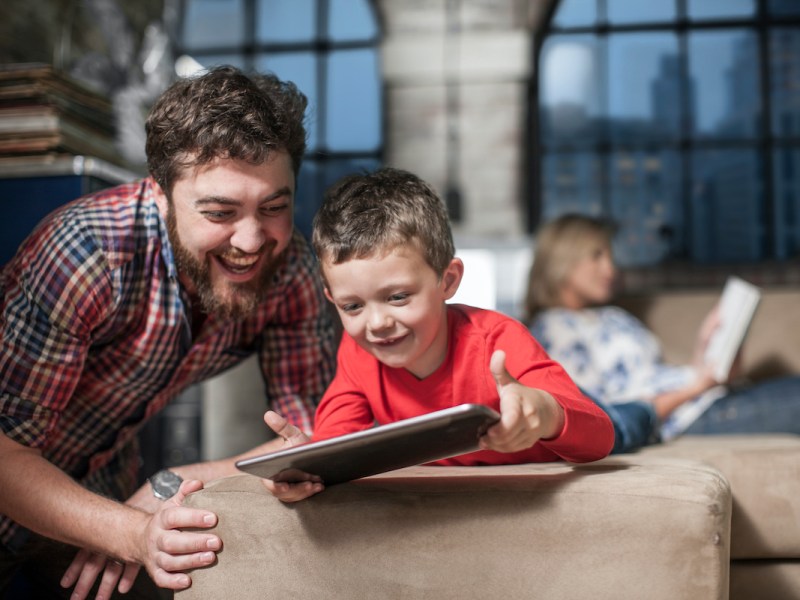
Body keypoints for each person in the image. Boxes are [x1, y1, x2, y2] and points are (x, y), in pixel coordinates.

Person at [0, 66, 336, 599]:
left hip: (103, 497)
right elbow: (5, 456)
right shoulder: (87, 254)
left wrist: (173, 481)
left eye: (274, 207)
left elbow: (310, 439)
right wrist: (133, 534)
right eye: (220, 212)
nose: (252, 241)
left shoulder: (289, 267)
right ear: (159, 192)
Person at [261, 168, 615, 503]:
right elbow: (336, 439)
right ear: (332, 300)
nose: (377, 323)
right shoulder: (358, 353)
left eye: (398, 297)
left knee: (632, 417)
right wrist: (305, 465)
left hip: (570, 436)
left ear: (447, 281)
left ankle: (646, 408)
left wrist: (543, 412)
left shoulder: (497, 340)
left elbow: (600, 436)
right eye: (352, 306)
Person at [525, 213, 800, 442]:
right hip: (684, 419)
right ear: (562, 260)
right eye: (597, 256)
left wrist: (704, 351)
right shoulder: (553, 329)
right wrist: (699, 386)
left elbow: (655, 377)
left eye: (610, 256)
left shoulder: (608, 315)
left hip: (704, 401)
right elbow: (605, 419)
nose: (610, 269)